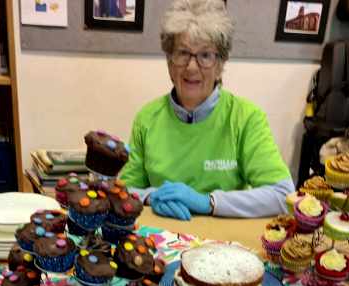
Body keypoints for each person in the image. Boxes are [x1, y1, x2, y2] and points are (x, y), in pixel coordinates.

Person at [119, 0, 295, 219]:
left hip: (225, 245)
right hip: (162, 238)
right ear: (169, 62)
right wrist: (149, 197)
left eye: (205, 55)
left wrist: (210, 202)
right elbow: (122, 190)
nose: (192, 67)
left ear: (220, 65)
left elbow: (283, 195)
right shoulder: (147, 119)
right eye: (182, 53)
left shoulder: (246, 118)